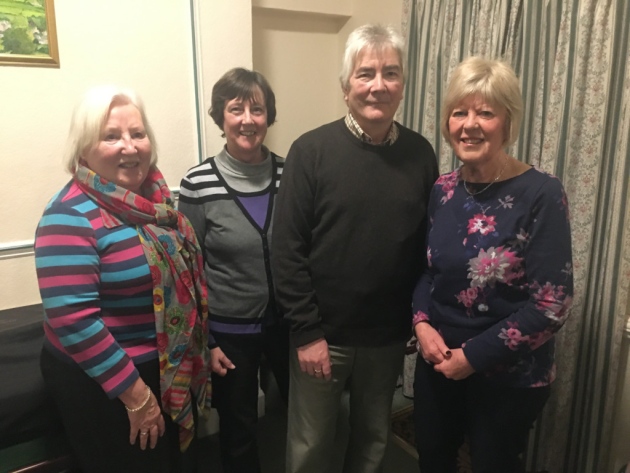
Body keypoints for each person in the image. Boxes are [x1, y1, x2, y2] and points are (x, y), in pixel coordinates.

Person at [271, 24, 439, 473]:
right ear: (346, 87)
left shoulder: (422, 154)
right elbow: (286, 250)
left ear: (403, 85)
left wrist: (413, 319)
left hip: (386, 339)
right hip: (322, 335)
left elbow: (424, 247)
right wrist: (306, 334)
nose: (378, 85)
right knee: (311, 447)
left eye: (390, 73)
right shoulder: (310, 151)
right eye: (366, 74)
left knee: (372, 442)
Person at [34, 86, 211, 473]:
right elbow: (74, 319)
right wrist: (137, 397)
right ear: (84, 149)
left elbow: (185, 284)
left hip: (165, 366)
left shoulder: (156, 202)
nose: (129, 147)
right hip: (110, 381)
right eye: (111, 136)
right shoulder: (69, 215)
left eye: (138, 133)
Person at [412, 56, 574, 473]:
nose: (469, 124)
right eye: (459, 112)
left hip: (508, 378)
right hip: (438, 362)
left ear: (507, 121)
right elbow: (430, 271)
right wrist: (422, 323)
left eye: (485, 112)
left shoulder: (541, 193)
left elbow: (552, 305)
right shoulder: (443, 189)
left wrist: (473, 357)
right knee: (433, 461)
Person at [178, 67, 288, 473]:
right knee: (239, 431)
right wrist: (205, 343)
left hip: (289, 328)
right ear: (221, 118)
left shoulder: (290, 174)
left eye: (257, 109)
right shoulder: (197, 183)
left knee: (302, 419)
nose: (247, 119)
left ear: (268, 116)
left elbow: (305, 251)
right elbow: (187, 272)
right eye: (236, 108)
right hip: (229, 336)